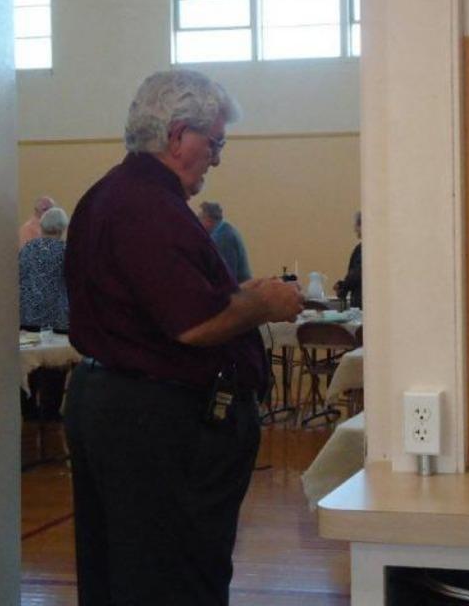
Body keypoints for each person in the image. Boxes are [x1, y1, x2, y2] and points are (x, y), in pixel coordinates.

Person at [62, 69, 303, 606]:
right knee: (172, 577)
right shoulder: (146, 206)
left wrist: (236, 297)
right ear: (177, 137)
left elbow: (158, 304)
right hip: (157, 422)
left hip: (130, 409)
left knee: (128, 573)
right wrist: (265, 303)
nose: (216, 159)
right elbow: (193, 323)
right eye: (214, 144)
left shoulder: (115, 194)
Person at [18, 206, 70, 332]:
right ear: (62, 228)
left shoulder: (28, 248)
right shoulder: (65, 251)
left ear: (42, 226)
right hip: (57, 319)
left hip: (28, 315)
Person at [199, 201, 252, 283]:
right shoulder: (226, 229)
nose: (198, 223)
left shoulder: (222, 237)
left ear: (208, 220)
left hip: (239, 289)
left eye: (199, 219)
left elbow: (227, 276)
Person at [334, 210, 362, 308]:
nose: (355, 230)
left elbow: (356, 274)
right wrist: (343, 285)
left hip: (361, 303)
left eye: (356, 226)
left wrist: (343, 288)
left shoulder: (362, 249)